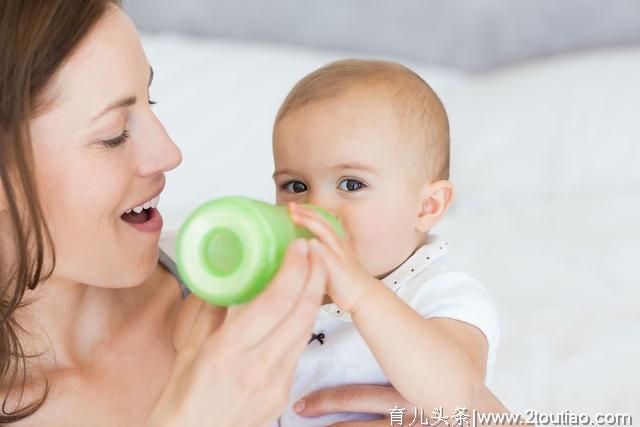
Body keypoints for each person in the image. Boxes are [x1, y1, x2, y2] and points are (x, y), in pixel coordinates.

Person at [0, 1, 422, 425]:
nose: (169, 153)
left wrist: (451, 415)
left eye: (152, 100)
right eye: (114, 135)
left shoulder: (227, 291)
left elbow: (481, 412)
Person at [263, 59, 508, 425]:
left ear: (427, 206)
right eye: (296, 187)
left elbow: (457, 397)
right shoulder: (283, 286)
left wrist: (360, 294)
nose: (315, 208)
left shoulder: (440, 294)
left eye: (351, 184)